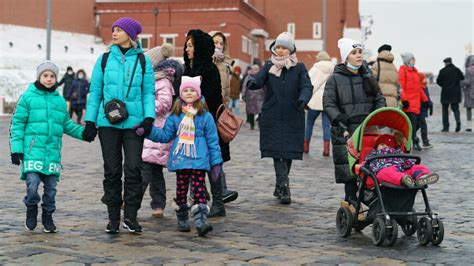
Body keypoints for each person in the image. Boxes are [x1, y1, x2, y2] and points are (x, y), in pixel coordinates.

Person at [84, 17, 156, 234]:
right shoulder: (104, 59)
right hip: (108, 124)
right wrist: (90, 121)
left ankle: (131, 216)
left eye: (118, 30)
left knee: (134, 169)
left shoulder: (143, 61)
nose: (114, 33)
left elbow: (148, 92)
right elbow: (95, 91)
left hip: (134, 124)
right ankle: (113, 218)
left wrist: (149, 118)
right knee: (112, 171)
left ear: (130, 35)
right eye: (113, 29)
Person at [9, 61, 97, 233]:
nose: (49, 79)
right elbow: (17, 124)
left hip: (52, 154)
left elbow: (66, 124)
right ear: (39, 77)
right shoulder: (27, 97)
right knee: (32, 185)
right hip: (32, 151)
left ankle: (48, 215)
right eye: (45, 75)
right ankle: (31, 209)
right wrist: (16, 149)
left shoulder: (59, 101)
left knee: (51, 189)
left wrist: (83, 133)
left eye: (52, 76)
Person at [136, 76, 222, 237]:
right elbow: (165, 135)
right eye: (186, 90)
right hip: (180, 158)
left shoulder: (205, 116)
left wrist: (216, 162)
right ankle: (182, 218)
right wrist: (148, 131)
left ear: (198, 93)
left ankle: (201, 222)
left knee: (199, 191)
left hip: (199, 160)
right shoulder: (175, 116)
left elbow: (213, 141)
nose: (189, 93)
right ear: (181, 94)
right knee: (181, 190)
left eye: (192, 90)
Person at [247, 32, 313, 204]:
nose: (281, 50)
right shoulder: (269, 65)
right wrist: (252, 82)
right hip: (273, 115)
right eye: (278, 47)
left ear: (290, 49)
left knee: (288, 152)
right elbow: (259, 79)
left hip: (293, 114)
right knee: (277, 151)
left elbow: (307, 86)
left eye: (284, 47)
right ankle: (284, 186)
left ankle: (280, 184)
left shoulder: (299, 67)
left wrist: (302, 99)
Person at [323, 38, 386, 206]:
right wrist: (338, 117)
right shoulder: (334, 79)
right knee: (350, 170)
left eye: (360, 52)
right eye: (353, 53)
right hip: (346, 128)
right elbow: (329, 103)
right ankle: (351, 202)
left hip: (368, 128)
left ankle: (369, 197)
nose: (358, 56)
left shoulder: (368, 75)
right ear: (346, 57)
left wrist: (378, 113)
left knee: (369, 166)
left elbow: (379, 96)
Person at [183, 29, 229, 217]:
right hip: (190, 125)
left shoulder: (208, 70)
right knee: (195, 162)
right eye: (186, 45)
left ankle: (218, 203)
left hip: (207, 125)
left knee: (212, 162)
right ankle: (201, 198)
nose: (187, 49)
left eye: (191, 45)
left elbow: (212, 99)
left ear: (200, 47)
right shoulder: (189, 68)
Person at [141, 44, 183, 218]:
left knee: (144, 170)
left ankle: (131, 200)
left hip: (156, 131)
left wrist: (145, 108)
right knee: (154, 171)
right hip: (152, 131)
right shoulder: (153, 80)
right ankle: (158, 205)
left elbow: (164, 104)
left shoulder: (163, 81)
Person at [209, 30, 239, 204]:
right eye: (215, 42)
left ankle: (222, 189)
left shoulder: (226, 65)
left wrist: (226, 110)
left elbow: (226, 92)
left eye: (221, 43)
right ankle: (194, 191)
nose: (218, 46)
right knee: (200, 154)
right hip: (204, 112)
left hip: (220, 114)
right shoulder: (204, 63)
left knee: (217, 153)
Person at [368, 134, 439, 187]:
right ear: (376, 147)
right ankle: (403, 179)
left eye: (388, 145)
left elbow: (407, 161)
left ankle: (421, 177)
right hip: (386, 169)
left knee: (417, 167)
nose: (385, 147)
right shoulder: (374, 154)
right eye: (382, 144)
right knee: (382, 174)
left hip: (401, 170)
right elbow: (369, 163)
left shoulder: (397, 152)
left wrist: (409, 163)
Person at [305, 51, 335, 156]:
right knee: (326, 125)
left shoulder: (315, 68)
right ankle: (326, 150)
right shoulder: (334, 69)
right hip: (328, 100)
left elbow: (308, 83)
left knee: (309, 123)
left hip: (315, 100)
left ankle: (305, 147)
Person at [399, 52, 428, 151]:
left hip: (417, 104)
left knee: (419, 123)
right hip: (409, 104)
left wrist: (425, 100)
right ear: (408, 61)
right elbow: (401, 87)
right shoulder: (403, 71)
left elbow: (419, 88)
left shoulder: (415, 72)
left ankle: (409, 140)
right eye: (412, 59)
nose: (414, 61)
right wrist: (404, 100)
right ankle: (414, 142)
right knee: (412, 124)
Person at [436, 57, 464, 132]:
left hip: (445, 93)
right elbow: (462, 78)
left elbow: (438, 81)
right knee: (455, 109)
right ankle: (458, 121)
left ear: (445, 63)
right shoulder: (457, 70)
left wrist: (444, 85)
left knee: (445, 110)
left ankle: (446, 127)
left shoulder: (442, 71)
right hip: (455, 93)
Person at [242, 64, 265, 130]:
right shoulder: (248, 77)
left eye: (256, 69)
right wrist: (243, 94)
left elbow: (265, 87)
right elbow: (244, 86)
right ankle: (252, 124)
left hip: (260, 97)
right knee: (251, 112)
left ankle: (260, 125)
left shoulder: (261, 76)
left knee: (260, 112)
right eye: (253, 69)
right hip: (250, 98)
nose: (255, 71)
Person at [416, 73, 434, 148]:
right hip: (420, 109)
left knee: (417, 125)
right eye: (423, 78)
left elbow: (428, 97)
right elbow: (423, 99)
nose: (425, 80)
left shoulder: (424, 86)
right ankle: (425, 142)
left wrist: (430, 106)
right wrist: (429, 104)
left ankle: (410, 138)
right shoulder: (419, 87)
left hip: (423, 109)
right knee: (423, 125)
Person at [463, 55, 474, 132]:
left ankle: (469, 127)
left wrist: (460, 82)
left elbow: (467, 82)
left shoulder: (468, 70)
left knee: (469, 110)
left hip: (469, 93)